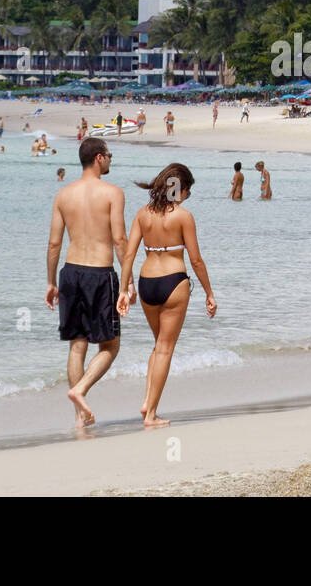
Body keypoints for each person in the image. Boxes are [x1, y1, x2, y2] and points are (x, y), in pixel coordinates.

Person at [117, 163, 216, 428]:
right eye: (187, 190)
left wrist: (123, 290)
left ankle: (147, 402)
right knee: (165, 348)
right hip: (174, 282)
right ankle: (151, 415)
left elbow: (128, 254)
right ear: (179, 188)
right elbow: (196, 260)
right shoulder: (183, 216)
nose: (187, 195)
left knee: (158, 345)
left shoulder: (142, 214)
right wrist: (209, 292)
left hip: (147, 281)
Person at [45, 137, 129, 428]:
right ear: (99, 158)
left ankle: (80, 416)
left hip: (70, 273)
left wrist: (51, 282)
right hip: (100, 274)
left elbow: (54, 244)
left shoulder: (63, 195)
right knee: (110, 346)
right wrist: (128, 282)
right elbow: (119, 239)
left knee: (76, 345)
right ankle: (80, 390)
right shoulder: (113, 193)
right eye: (110, 155)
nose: (111, 159)